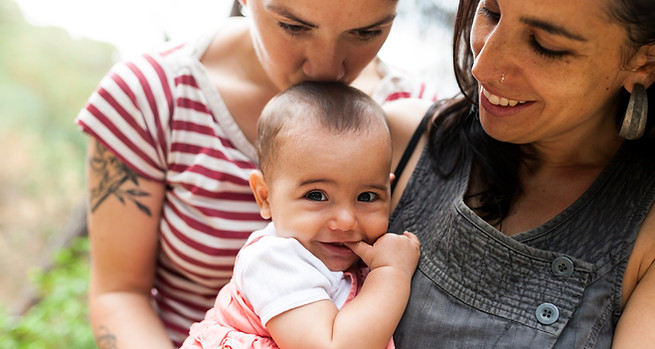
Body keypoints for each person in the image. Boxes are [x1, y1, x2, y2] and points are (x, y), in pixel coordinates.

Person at [74, 0, 436, 347]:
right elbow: (120, 293)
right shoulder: (148, 97)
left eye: (366, 31)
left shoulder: (424, 123)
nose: (325, 69)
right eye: (293, 26)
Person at [385, 0, 655, 347]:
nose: (484, 67)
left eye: (545, 45)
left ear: (644, 62)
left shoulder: (645, 231)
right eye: (491, 13)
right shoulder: (399, 141)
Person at [180, 81, 420, 349]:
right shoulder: (272, 260)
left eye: (366, 197)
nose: (345, 221)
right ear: (265, 196)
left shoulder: (356, 261)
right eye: (316, 195)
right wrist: (392, 272)